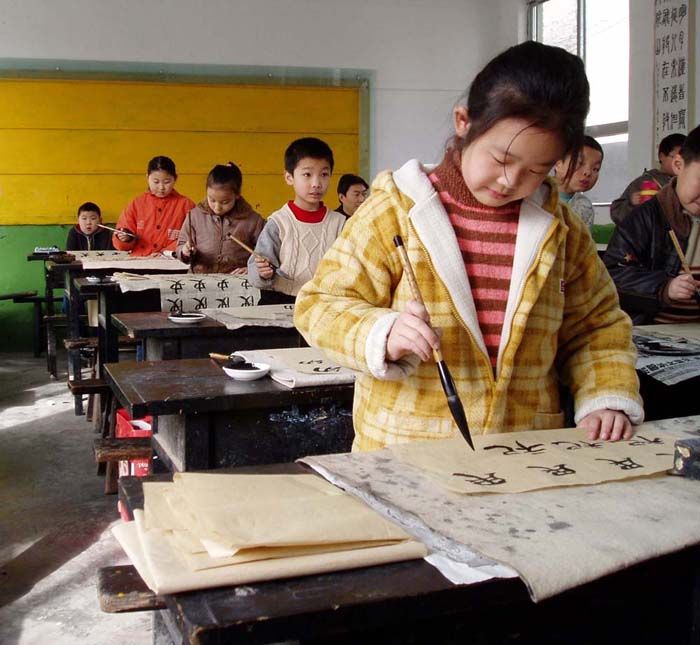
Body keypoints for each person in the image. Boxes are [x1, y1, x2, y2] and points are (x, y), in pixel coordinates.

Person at [294, 41, 643, 452]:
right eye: (501, 158)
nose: (510, 181)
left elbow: (597, 326)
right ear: (464, 122)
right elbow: (319, 304)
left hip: (522, 454)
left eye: (536, 170)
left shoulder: (561, 230)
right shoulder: (395, 210)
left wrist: (605, 397)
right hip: (406, 452)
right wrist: (381, 333)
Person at [604, 124, 700, 325]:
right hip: (658, 335)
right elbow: (611, 275)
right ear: (678, 165)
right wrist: (664, 287)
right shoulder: (645, 218)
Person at [247, 137, 346, 305]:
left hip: (323, 304)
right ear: (289, 177)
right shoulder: (278, 223)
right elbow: (255, 271)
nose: (316, 183)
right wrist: (262, 272)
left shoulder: (341, 224)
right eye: (307, 174)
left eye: (324, 174)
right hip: (279, 302)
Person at [175, 162, 264, 274]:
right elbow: (181, 245)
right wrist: (184, 251)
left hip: (236, 283)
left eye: (225, 202)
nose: (217, 207)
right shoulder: (195, 215)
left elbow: (265, 253)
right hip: (200, 282)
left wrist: (251, 269)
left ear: (237, 195)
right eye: (212, 200)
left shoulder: (253, 220)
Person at [113, 156, 195, 256]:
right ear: (147, 177)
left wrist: (165, 253)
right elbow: (121, 240)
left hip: (171, 262)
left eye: (167, 182)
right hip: (139, 261)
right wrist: (125, 238)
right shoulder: (137, 204)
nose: (161, 187)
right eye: (156, 182)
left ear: (175, 178)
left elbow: (192, 236)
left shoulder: (186, 205)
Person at [610, 132, 686, 225]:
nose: (681, 163)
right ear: (662, 156)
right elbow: (616, 213)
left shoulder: (688, 182)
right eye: (676, 158)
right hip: (651, 236)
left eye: (686, 159)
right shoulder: (644, 181)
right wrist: (631, 204)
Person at [552, 135, 603, 231]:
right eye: (580, 163)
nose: (588, 172)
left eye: (595, 169)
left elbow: (583, 244)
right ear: (558, 163)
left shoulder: (585, 207)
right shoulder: (535, 195)